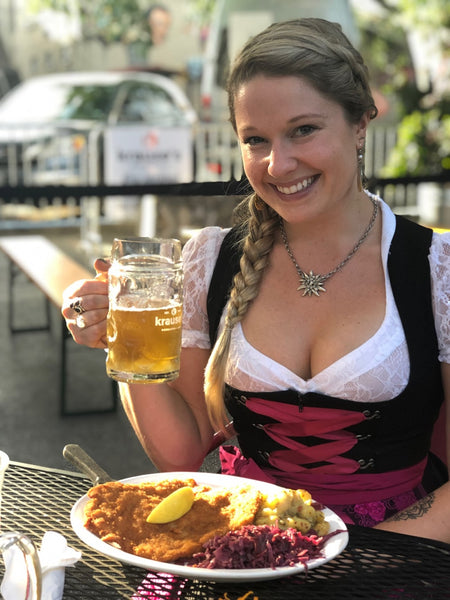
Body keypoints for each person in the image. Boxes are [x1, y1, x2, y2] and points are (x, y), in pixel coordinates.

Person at [62, 18, 450, 542]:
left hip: (395, 551)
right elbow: (181, 451)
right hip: (241, 545)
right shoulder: (213, 259)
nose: (278, 163)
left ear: (360, 123)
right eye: (255, 139)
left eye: (303, 130)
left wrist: (357, 554)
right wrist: (125, 343)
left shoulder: (433, 268)